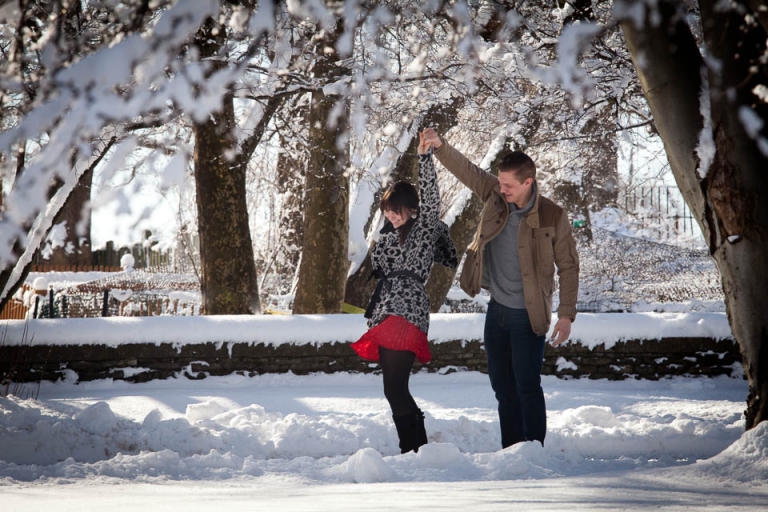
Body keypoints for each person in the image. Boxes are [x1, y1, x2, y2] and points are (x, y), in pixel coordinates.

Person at [420, 127, 579, 449]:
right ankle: (511, 449)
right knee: (502, 388)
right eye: (500, 182)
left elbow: (569, 267)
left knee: (527, 386)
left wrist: (566, 315)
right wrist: (440, 146)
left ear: (528, 183)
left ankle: (534, 448)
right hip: (497, 312)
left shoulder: (553, 215)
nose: (502, 189)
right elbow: (467, 171)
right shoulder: (495, 195)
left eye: (508, 185)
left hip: (528, 315)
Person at [351, 131, 457, 454]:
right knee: (394, 389)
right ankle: (415, 447)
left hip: (408, 312)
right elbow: (381, 274)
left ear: (411, 209)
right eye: (387, 210)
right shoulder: (385, 238)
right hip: (387, 314)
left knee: (394, 388)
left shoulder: (423, 231)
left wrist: (425, 158)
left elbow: (431, 196)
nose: (390, 215)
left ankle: (413, 447)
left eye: (396, 210)